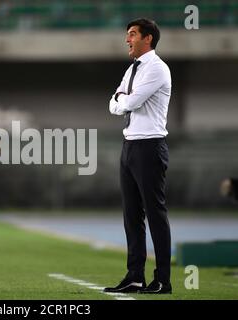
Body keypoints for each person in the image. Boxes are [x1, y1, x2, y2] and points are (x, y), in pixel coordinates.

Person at [105, 18, 172, 294]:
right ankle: (135, 276)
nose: (127, 40)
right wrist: (122, 99)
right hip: (130, 145)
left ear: (148, 39)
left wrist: (122, 99)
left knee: (154, 213)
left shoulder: (157, 68)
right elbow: (113, 103)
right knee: (131, 214)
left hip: (150, 146)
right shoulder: (133, 68)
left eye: (132, 34)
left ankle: (163, 280)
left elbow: (128, 102)